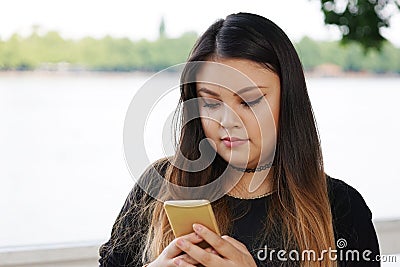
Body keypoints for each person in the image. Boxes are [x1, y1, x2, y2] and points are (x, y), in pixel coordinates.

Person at [99, 12, 380, 267]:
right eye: (210, 103)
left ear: (290, 99)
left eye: (250, 101)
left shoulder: (342, 208)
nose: (228, 121)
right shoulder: (159, 187)